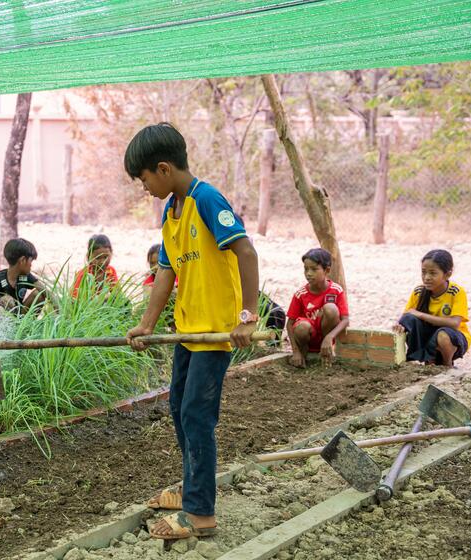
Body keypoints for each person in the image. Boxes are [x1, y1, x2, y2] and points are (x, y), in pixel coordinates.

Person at [124, 123, 260, 540]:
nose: (144, 187)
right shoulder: (172, 210)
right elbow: (167, 270)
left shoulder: (207, 199)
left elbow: (246, 251)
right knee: (180, 408)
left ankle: (201, 514)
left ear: (163, 169)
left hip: (215, 333)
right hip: (188, 331)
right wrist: (147, 324)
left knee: (197, 416)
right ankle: (192, 487)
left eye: (144, 178)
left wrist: (247, 316)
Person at [392, 249, 471, 367]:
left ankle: (447, 365)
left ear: (447, 274)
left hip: (453, 338)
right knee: (408, 319)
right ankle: (426, 359)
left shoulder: (456, 292)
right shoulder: (418, 291)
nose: (426, 277)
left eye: (433, 273)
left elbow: (454, 323)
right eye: (423, 272)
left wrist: (421, 315)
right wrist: (399, 325)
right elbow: (408, 316)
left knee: (442, 335)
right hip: (429, 336)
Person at [285, 248, 350, 368]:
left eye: (314, 269)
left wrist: (329, 337)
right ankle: (304, 355)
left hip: (328, 340)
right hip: (309, 339)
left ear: (327, 270)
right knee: (302, 327)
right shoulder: (301, 294)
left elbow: (345, 320)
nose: (308, 273)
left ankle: (327, 351)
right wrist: (295, 352)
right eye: (306, 269)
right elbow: (290, 324)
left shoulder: (336, 290)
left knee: (331, 308)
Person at [0, 238, 49, 313]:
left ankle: (28, 323)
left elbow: (45, 290)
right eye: (31, 261)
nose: (31, 265)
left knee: (39, 293)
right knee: (6, 300)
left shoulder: (26, 276)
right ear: (23, 260)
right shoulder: (0, 279)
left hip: (20, 316)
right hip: (2, 317)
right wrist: (1, 301)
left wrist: (61, 310)